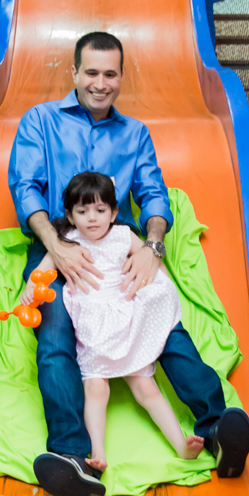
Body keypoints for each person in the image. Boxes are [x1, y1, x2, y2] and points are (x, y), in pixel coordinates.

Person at [7, 29, 249, 496]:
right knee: (54, 338)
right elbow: (25, 187)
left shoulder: (135, 133)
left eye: (110, 74)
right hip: (58, 241)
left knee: (163, 325)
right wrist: (56, 247)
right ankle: (73, 457)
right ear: (74, 72)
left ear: (121, 77)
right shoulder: (41, 121)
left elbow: (154, 194)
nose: (100, 83)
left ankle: (216, 428)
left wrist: (152, 247)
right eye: (91, 73)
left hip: (121, 245)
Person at [21, 171, 205, 471]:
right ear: (70, 215)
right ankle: (97, 453)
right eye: (82, 212)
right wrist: (31, 288)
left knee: (145, 386)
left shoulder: (122, 235)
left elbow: (151, 263)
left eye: (100, 210)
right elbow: (42, 271)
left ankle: (181, 444)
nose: (92, 218)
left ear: (114, 212)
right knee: (96, 389)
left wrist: (164, 287)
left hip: (124, 320)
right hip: (92, 326)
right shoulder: (67, 243)